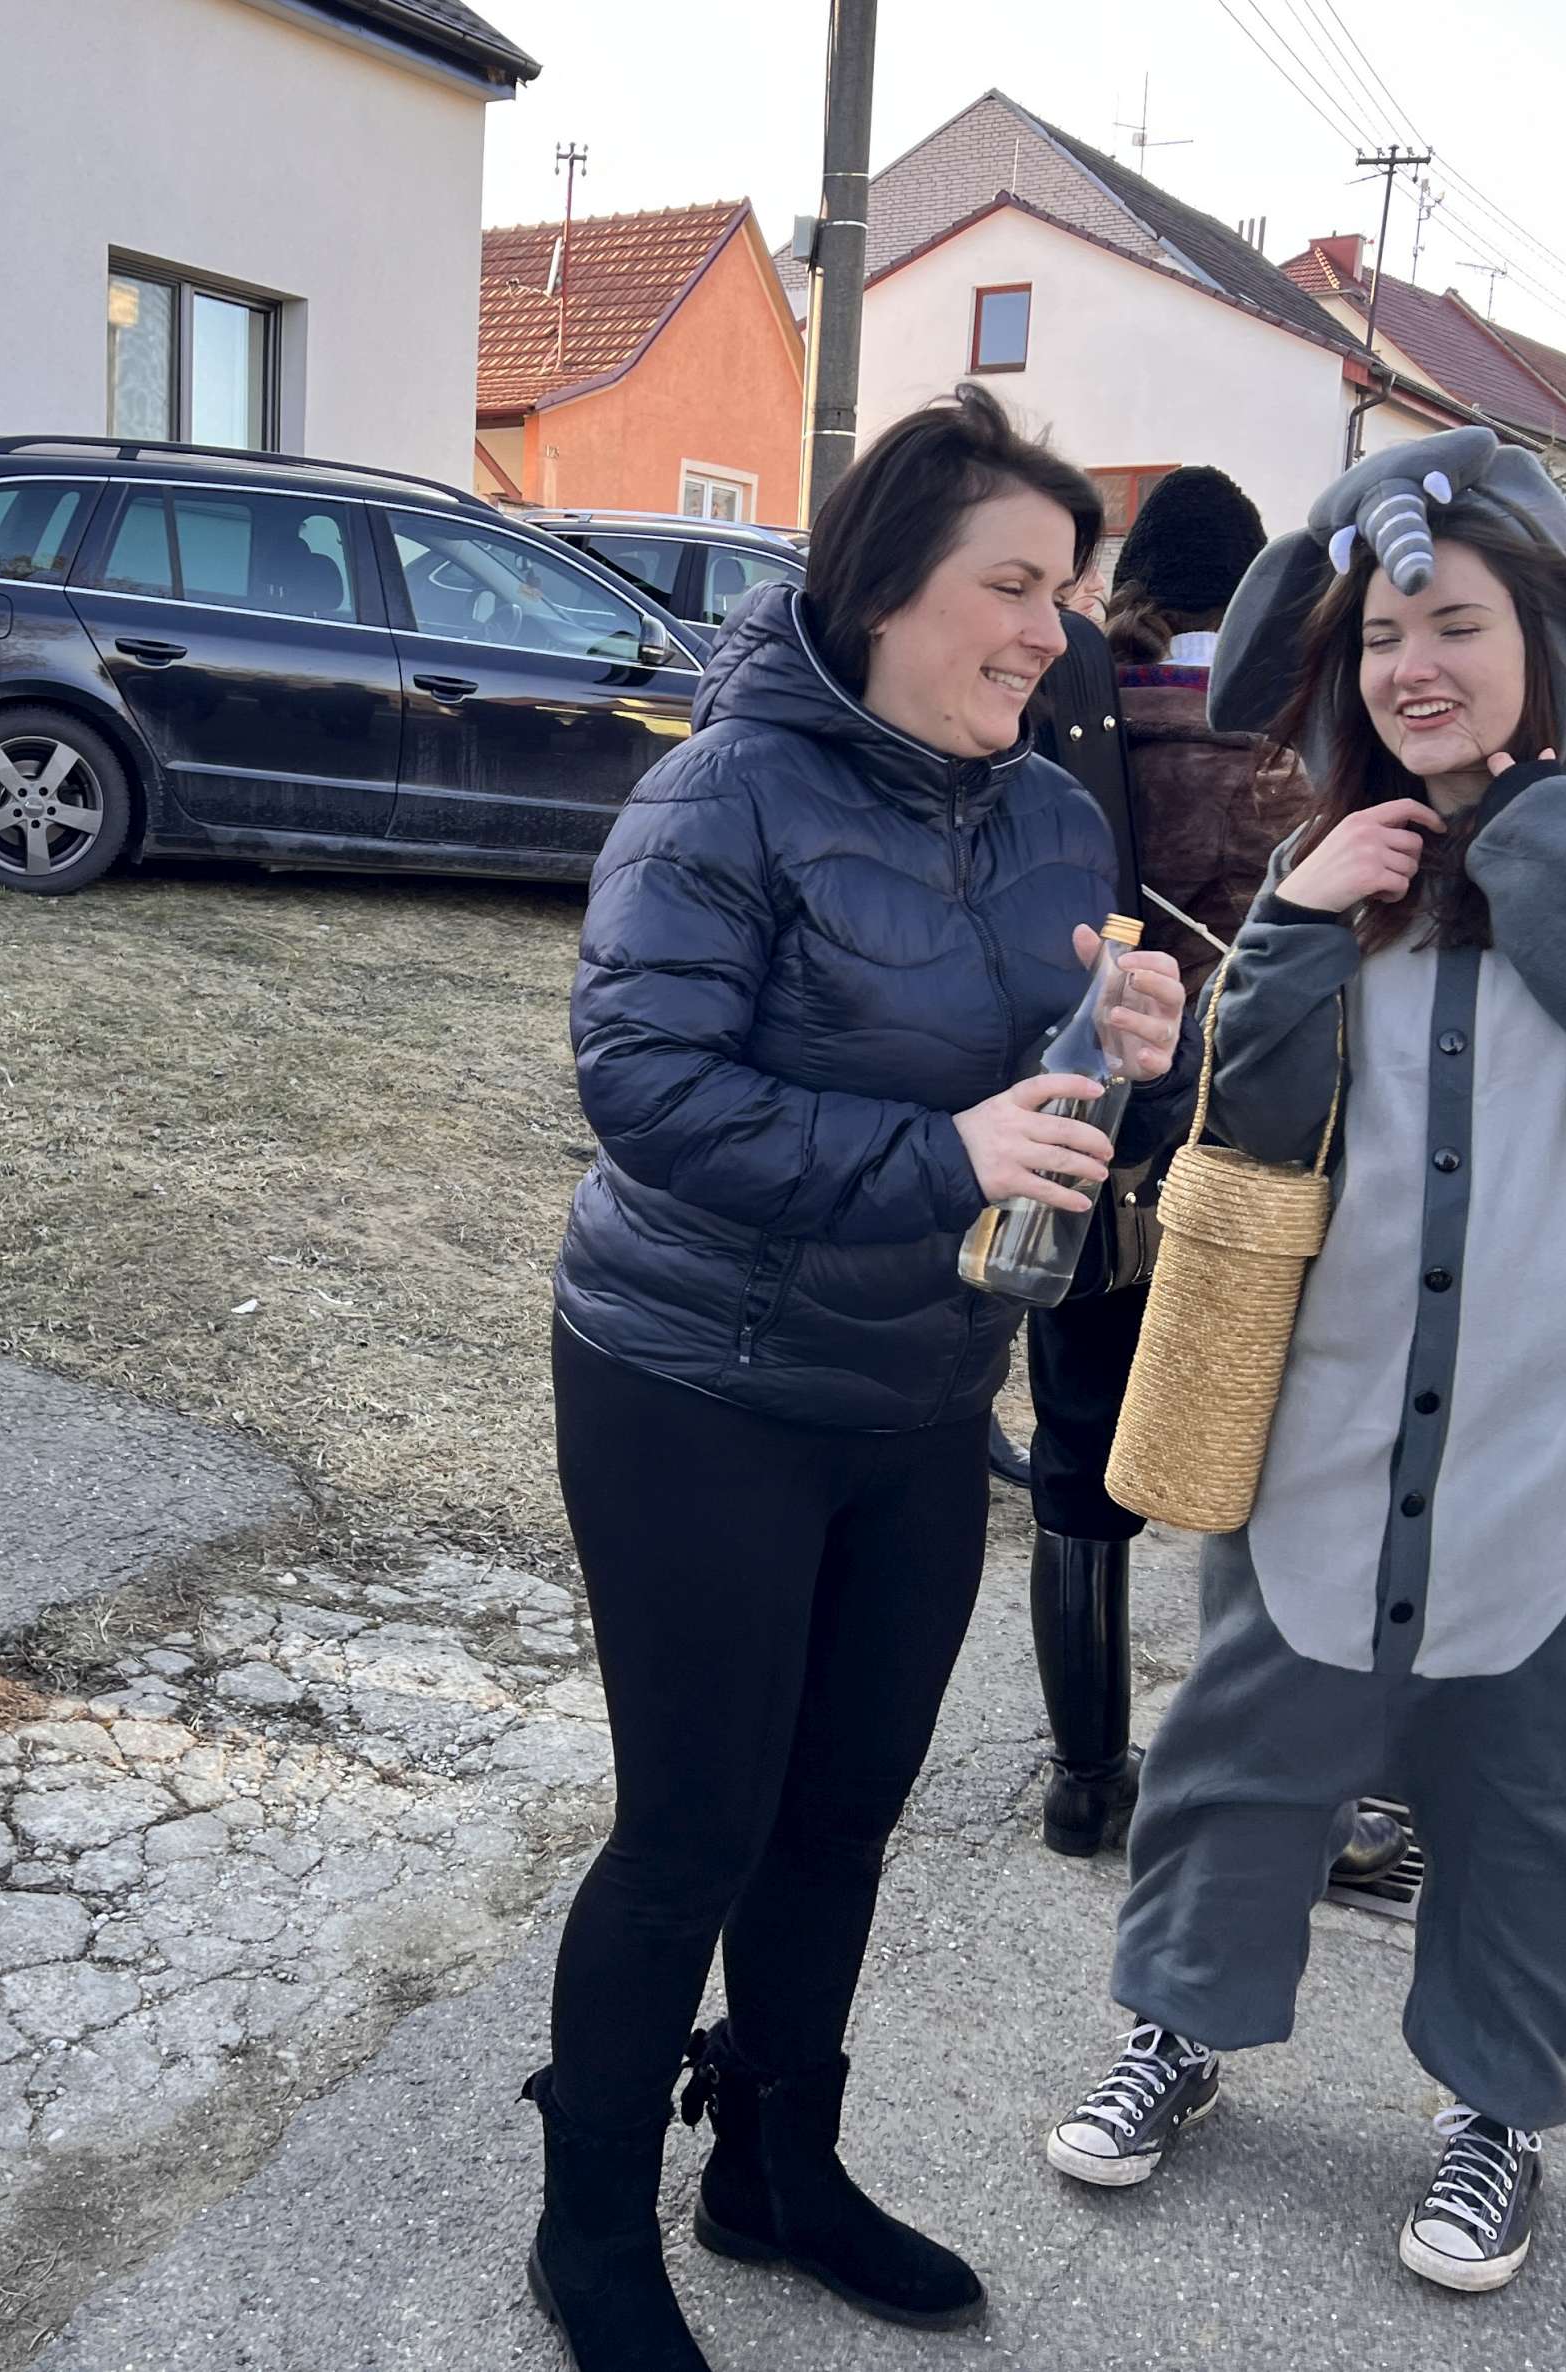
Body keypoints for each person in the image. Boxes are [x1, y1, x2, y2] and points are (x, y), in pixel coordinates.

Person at [1042, 428, 1566, 2294]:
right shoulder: (1335, 843)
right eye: (1386, 635)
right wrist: (1300, 922)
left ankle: (1500, 2114)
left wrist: (1539, 840)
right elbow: (1254, 1115)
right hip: (1338, 1385)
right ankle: (1178, 2027)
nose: (1414, 668)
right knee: (1254, 1726)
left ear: (1545, 639)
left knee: (1551, 1769)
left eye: (1456, 625)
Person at [532, 386, 1195, 2371]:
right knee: (694, 1829)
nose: (1050, 631)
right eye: (1014, 585)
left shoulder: (1055, 811)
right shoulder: (721, 795)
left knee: (840, 1818)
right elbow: (646, 1091)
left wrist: (1134, 1061)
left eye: (1064, 594)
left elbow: (1058, 1114)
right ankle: (588, 2226)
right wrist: (945, 1155)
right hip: (696, 1384)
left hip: (918, 1392)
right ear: (888, 581)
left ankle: (775, 2169)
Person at [1011, 465, 1400, 1882]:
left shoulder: (1059, 720)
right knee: (1306, 1472)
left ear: (1131, 588)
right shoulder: (1316, 738)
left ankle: (1085, 1780)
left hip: (1106, 1131)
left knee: (1079, 1462)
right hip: (1284, 1150)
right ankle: (1313, 1799)